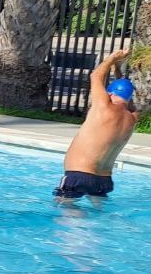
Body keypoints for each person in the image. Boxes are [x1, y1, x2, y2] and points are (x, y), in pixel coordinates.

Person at [55, 49, 138, 201]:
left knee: (66, 212)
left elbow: (96, 76)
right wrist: (117, 70)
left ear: (110, 94)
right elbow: (127, 95)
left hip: (79, 175)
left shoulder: (104, 106)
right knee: (100, 216)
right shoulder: (132, 117)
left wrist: (113, 58)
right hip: (104, 181)